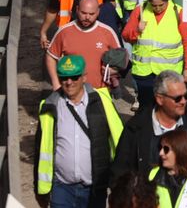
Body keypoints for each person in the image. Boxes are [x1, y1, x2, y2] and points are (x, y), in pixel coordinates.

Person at [35, 55, 123, 208]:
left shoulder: (102, 102)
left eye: (74, 77)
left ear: (84, 77)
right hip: (62, 188)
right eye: (64, 78)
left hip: (95, 188)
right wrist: (39, 188)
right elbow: (41, 148)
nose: (69, 82)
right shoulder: (49, 106)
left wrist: (120, 182)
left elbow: (119, 140)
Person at [111, 70, 187, 180]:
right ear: (160, 99)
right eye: (177, 98)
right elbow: (120, 171)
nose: (183, 101)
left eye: (186, 96)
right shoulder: (136, 127)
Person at [122, 0, 187, 106]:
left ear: (167, 0)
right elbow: (126, 35)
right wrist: (137, 31)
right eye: (154, 5)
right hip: (144, 73)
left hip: (169, 73)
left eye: (161, 5)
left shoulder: (178, 12)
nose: (157, 8)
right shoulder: (141, 10)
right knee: (145, 108)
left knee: (169, 107)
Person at [46, 0, 121, 90]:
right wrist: (56, 83)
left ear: (98, 12)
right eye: (83, 13)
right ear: (77, 9)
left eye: (91, 14)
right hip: (72, 92)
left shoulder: (107, 32)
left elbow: (120, 57)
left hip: (100, 91)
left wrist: (114, 70)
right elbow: (51, 57)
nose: (87, 17)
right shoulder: (64, 32)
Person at [149, 129, 187, 208]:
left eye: (166, 149)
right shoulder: (153, 174)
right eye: (160, 148)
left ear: (180, 151)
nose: (161, 153)